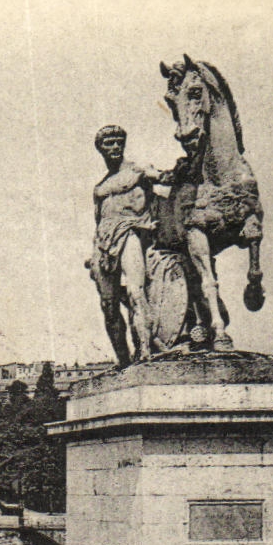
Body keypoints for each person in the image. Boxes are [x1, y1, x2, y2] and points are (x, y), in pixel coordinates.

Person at [89, 124, 166, 365]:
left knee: (135, 292)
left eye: (118, 142)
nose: (114, 147)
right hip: (103, 241)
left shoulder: (138, 170)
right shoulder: (99, 188)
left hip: (131, 233)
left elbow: (164, 177)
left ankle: (144, 350)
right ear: (100, 149)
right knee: (108, 305)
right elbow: (99, 219)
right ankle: (123, 360)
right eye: (108, 144)